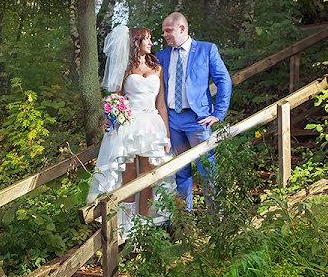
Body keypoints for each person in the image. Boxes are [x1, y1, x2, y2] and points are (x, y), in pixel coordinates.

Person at [87, 25, 173, 236]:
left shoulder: (157, 68)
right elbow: (114, 100)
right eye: (147, 39)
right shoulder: (125, 69)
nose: (151, 43)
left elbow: (161, 104)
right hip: (129, 126)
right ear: (137, 42)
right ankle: (124, 230)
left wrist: (167, 135)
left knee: (148, 177)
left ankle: (142, 228)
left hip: (152, 126)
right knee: (129, 178)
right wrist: (110, 120)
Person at [156, 12, 232, 210]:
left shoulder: (207, 50)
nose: (164, 34)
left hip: (198, 120)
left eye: (168, 30)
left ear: (182, 28)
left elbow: (223, 80)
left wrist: (218, 113)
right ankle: (185, 223)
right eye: (163, 31)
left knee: (207, 169)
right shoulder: (162, 56)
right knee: (180, 171)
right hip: (172, 120)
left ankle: (216, 219)